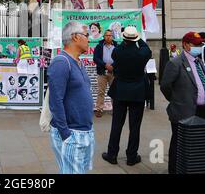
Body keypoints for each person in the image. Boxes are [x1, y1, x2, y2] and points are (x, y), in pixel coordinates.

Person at [160, 31, 205, 174]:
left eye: (200, 44)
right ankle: (174, 170)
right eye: (195, 44)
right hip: (183, 110)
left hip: (201, 110)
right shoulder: (175, 63)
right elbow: (165, 86)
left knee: (197, 144)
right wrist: (177, 100)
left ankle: (193, 169)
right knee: (178, 144)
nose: (198, 47)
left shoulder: (199, 61)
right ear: (185, 45)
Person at [48, 22, 94, 174]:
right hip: (72, 134)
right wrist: (66, 134)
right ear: (75, 37)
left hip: (84, 131)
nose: (89, 39)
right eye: (86, 35)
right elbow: (55, 102)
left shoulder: (78, 61)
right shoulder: (61, 62)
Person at [102, 26, 151, 166]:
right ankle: (131, 156)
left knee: (116, 124)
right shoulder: (142, 53)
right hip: (138, 92)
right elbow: (146, 48)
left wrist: (128, 39)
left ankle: (112, 154)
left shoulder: (118, 52)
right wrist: (138, 38)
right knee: (135, 126)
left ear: (123, 38)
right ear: (136, 38)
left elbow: (116, 54)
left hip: (120, 91)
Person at [93, 30, 118, 117]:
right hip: (102, 72)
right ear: (103, 37)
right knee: (101, 91)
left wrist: (113, 66)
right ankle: (99, 109)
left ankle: (116, 110)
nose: (108, 37)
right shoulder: (99, 46)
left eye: (110, 35)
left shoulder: (117, 46)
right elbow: (95, 58)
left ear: (112, 37)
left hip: (113, 72)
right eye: (106, 35)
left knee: (115, 91)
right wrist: (105, 65)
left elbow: (119, 58)